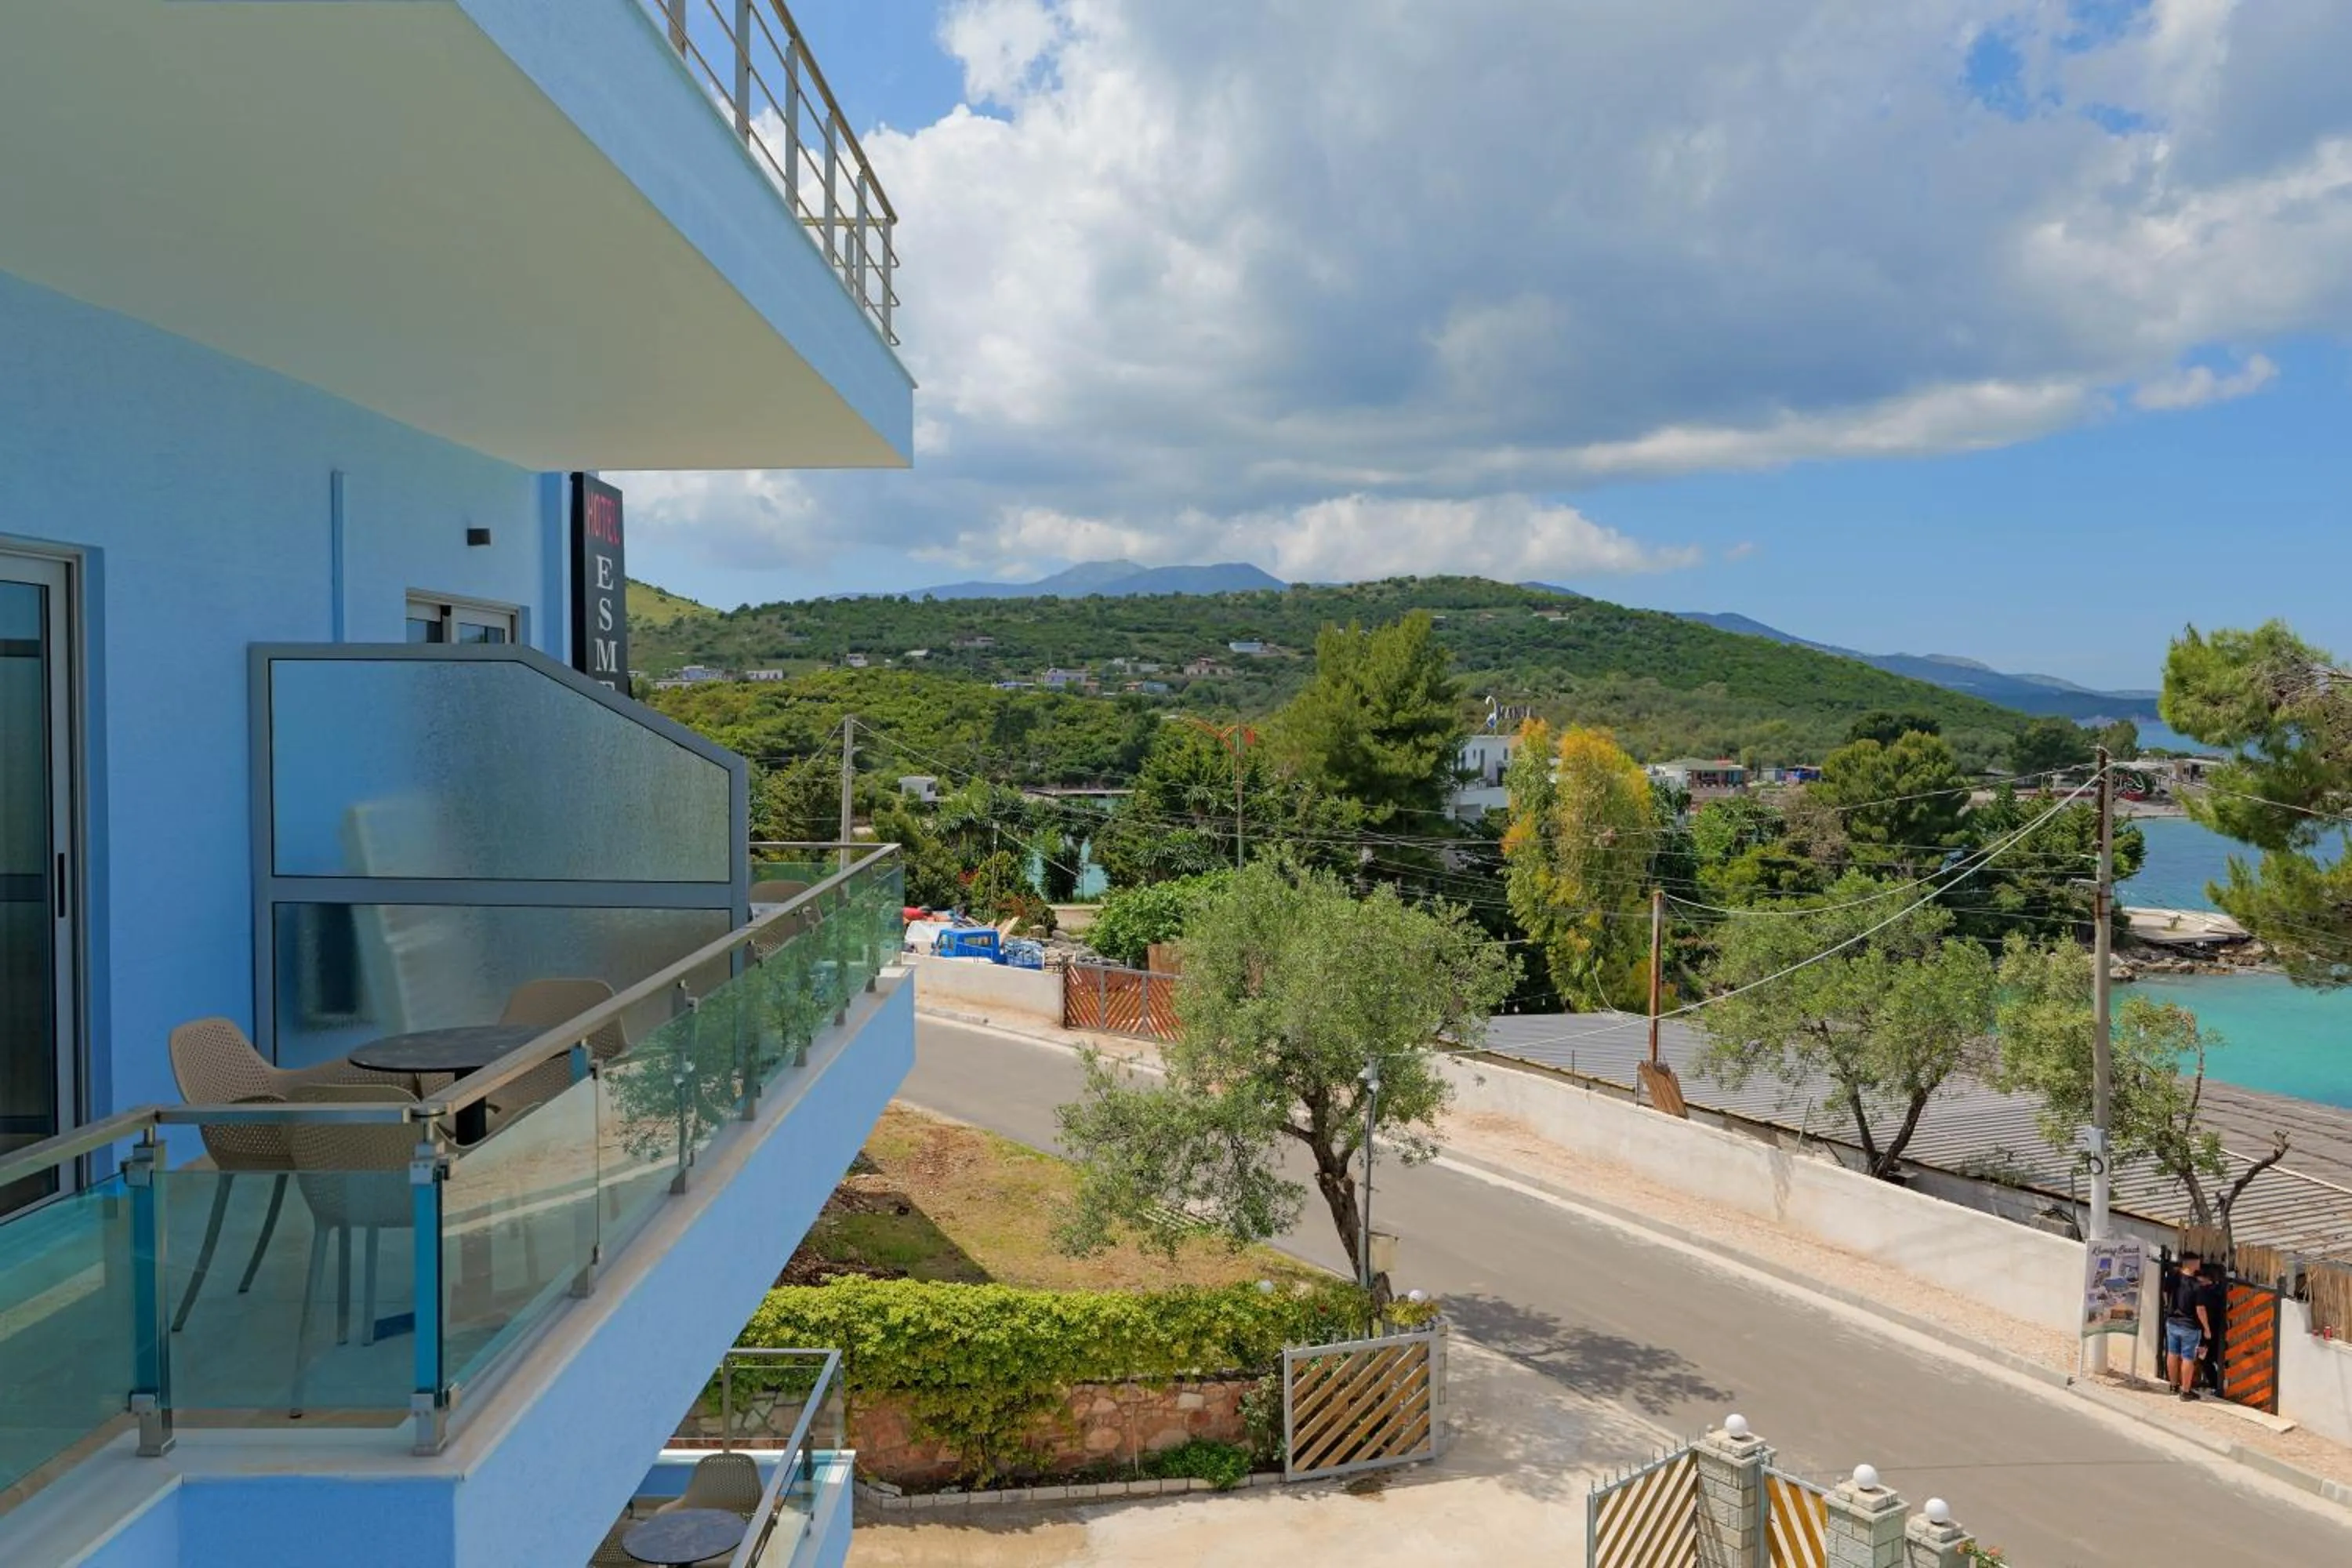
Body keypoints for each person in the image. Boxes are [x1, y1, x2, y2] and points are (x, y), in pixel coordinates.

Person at [2165, 1253, 2219, 1400]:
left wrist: (2168, 1307)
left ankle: (2173, 1385)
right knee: (2188, 1358)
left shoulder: (2174, 1277)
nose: (2200, 1264)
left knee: (2172, 1353)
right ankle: (2185, 1391)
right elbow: (2200, 1310)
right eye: (2198, 1262)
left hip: (2172, 1322)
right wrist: (2207, 1329)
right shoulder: (2196, 1286)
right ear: (2193, 1264)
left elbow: (2166, 1292)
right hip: (2189, 1326)